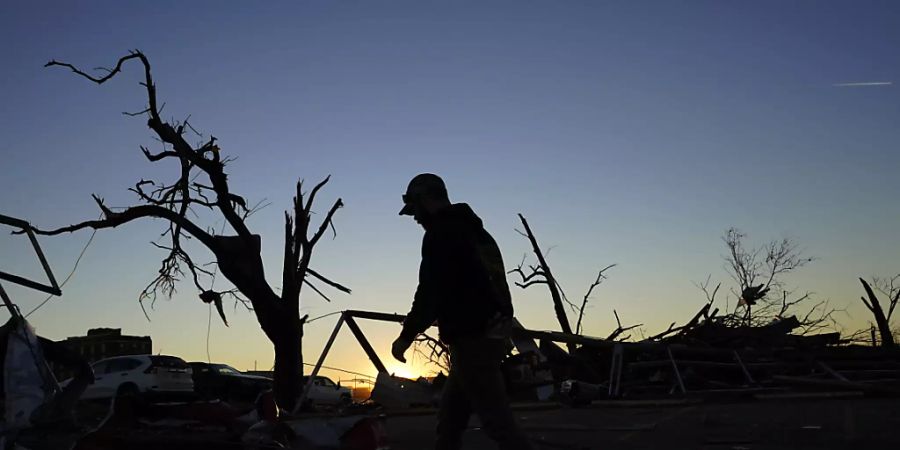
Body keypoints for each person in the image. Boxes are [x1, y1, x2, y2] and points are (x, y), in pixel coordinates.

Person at [391, 173, 534, 450]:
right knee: (450, 419)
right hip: (487, 335)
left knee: (497, 423)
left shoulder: (442, 233)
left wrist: (406, 336)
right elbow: (495, 283)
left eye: (415, 211)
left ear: (425, 200)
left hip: (473, 338)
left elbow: (430, 291)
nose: (415, 218)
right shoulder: (475, 231)